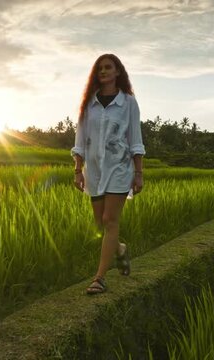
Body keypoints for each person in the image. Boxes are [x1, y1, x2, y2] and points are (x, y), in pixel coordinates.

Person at [71, 53, 145, 295]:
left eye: (108, 67)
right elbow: (80, 140)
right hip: (93, 171)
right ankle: (120, 249)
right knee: (100, 223)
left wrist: (138, 172)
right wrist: (77, 171)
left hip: (119, 169)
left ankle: (100, 278)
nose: (103, 71)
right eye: (99, 68)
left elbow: (135, 139)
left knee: (110, 221)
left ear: (117, 72)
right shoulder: (87, 104)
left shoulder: (128, 102)